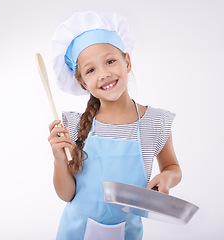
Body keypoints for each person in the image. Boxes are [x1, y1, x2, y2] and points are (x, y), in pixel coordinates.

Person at [48, 11, 182, 240]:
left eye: (110, 61)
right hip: (74, 233)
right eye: (91, 70)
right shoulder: (73, 126)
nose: (104, 74)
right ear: (82, 82)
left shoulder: (155, 122)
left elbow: (172, 167)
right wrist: (59, 160)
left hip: (127, 234)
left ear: (127, 62)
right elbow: (67, 194)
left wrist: (167, 178)